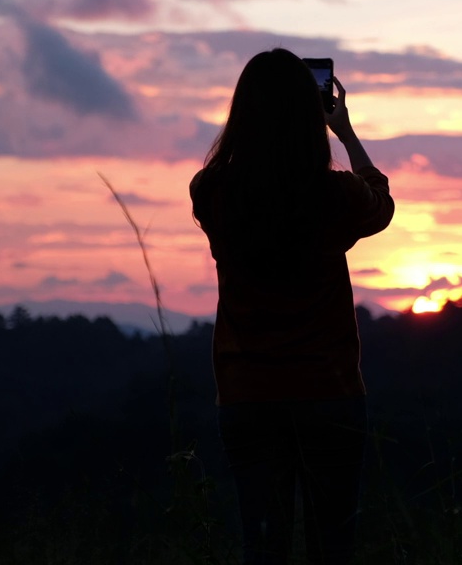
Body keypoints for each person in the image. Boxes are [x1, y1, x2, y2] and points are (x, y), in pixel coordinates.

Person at [190, 48, 394, 565]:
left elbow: (230, 178)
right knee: (333, 547)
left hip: (247, 395)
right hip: (329, 393)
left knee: (264, 547)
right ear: (312, 113)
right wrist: (345, 133)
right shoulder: (336, 196)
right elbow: (381, 204)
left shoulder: (213, 191)